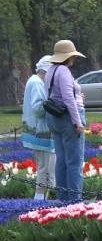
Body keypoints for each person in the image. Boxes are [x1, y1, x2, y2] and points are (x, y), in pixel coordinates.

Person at [43, 40, 86, 202]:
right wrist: (78, 123)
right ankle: (75, 201)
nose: (74, 59)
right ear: (68, 57)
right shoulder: (64, 71)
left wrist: (77, 96)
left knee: (61, 161)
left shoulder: (50, 70)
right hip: (68, 118)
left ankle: (63, 199)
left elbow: (54, 94)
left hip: (54, 118)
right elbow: (68, 99)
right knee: (74, 163)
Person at [21, 56, 55, 200]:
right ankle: (41, 200)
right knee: (46, 168)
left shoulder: (33, 81)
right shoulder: (37, 83)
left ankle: (41, 198)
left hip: (38, 132)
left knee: (44, 166)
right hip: (41, 132)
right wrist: (52, 103)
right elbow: (37, 108)